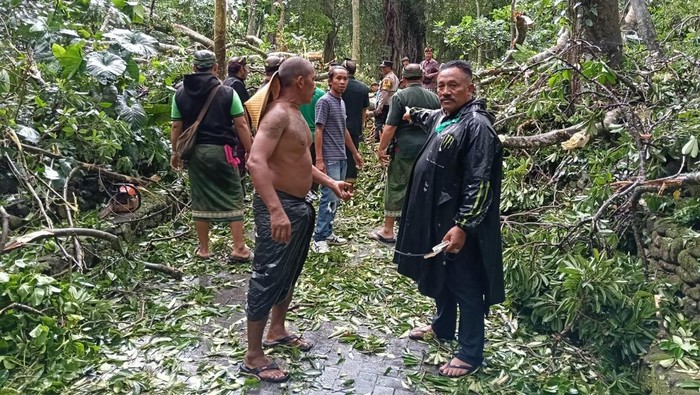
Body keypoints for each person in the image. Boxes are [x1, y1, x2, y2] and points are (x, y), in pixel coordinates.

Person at [243, 57, 353, 383]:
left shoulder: (293, 114)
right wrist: (276, 209)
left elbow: (301, 162)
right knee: (267, 276)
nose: (317, 84)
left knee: (288, 272)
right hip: (280, 208)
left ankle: (277, 330)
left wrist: (330, 182)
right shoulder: (277, 116)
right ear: (301, 81)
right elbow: (255, 162)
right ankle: (252, 356)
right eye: (314, 78)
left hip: (299, 206)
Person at [394, 60, 504, 378]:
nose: (445, 91)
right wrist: (410, 114)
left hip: (459, 224)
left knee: (464, 283)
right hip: (438, 218)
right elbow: (428, 115)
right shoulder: (446, 116)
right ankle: (443, 328)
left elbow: (479, 180)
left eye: (453, 85)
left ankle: (470, 353)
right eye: (441, 85)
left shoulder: (477, 125)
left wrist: (464, 225)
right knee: (443, 277)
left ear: (470, 88)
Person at [170, 50, 253, 263]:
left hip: (195, 153)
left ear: (193, 67)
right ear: (216, 68)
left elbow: (176, 125)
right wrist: (251, 150)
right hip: (223, 151)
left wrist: (175, 152)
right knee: (234, 194)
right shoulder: (227, 93)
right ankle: (238, 248)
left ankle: (204, 249)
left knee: (200, 198)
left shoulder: (179, 94)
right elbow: (241, 124)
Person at [370, 64, 439, 244]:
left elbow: (390, 126)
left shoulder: (400, 96)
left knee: (396, 185)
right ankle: (419, 230)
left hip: (404, 149)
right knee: (422, 187)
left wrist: (381, 149)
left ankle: (388, 230)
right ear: (422, 77)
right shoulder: (434, 97)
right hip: (428, 148)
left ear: (404, 79)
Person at [313, 66, 364, 254]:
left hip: (341, 156)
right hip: (329, 157)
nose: (342, 82)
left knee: (337, 196)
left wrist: (354, 153)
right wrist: (319, 159)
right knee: (328, 196)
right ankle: (319, 238)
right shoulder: (324, 102)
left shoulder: (341, 102)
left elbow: (344, 130)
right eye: (338, 79)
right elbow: (318, 130)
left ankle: (328, 233)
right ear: (330, 81)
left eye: (345, 79)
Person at [224, 56, 251, 197]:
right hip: (237, 134)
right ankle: (238, 195)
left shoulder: (226, 82)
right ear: (241, 69)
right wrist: (249, 138)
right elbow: (242, 115)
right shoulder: (237, 85)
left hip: (228, 133)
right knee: (239, 163)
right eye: (245, 67)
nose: (247, 71)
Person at [341, 59, 370, 185]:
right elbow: (364, 110)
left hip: (339, 126)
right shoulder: (363, 87)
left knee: (339, 153)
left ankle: (339, 180)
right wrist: (362, 126)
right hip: (355, 126)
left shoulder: (340, 86)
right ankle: (350, 183)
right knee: (353, 154)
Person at [299, 84, 325, 193]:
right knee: (315, 164)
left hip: (300, 136)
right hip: (316, 137)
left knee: (302, 165)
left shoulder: (296, 94)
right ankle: (313, 191)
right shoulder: (321, 94)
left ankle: (302, 190)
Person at [373, 60, 399, 141]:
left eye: (384, 67)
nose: (382, 69)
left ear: (389, 68)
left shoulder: (388, 79)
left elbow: (384, 93)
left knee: (379, 121)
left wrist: (379, 107)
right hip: (391, 103)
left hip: (385, 104)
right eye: (382, 68)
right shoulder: (394, 77)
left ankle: (378, 138)